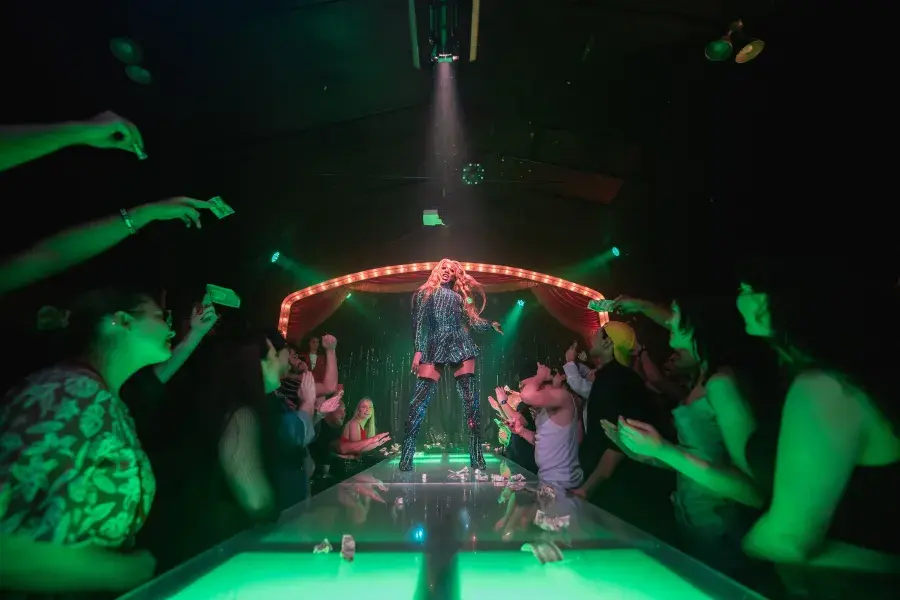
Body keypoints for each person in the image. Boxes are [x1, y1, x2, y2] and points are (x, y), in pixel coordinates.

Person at [0, 288, 172, 594]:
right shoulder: (63, 394)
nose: (170, 325)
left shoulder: (101, 397)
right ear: (121, 321)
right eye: (159, 316)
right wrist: (124, 570)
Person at [399, 259, 503, 471]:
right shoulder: (426, 292)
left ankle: (476, 457)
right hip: (434, 344)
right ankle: (407, 456)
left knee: (471, 404)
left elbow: (473, 321)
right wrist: (418, 350)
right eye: (444, 268)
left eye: (452, 271)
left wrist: (490, 325)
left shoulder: (459, 297)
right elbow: (418, 322)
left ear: (456, 275)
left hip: (460, 344)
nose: (447, 272)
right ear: (438, 270)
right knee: (417, 403)